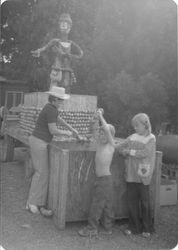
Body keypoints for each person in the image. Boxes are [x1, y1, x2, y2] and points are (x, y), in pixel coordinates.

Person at [26, 86, 79, 216]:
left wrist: (72, 129)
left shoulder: (51, 108)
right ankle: (32, 203)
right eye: (60, 100)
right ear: (54, 99)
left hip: (38, 141)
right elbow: (53, 131)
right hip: (39, 141)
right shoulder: (51, 109)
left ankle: (35, 202)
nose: (62, 102)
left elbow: (58, 119)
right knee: (41, 173)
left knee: (42, 173)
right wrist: (69, 133)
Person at [117, 113, 156, 237]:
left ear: (145, 125)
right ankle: (134, 227)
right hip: (131, 174)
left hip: (143, 175)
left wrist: (129, 151)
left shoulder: (151, 138)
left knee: (145, 203)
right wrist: (114, 145)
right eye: (134, 126)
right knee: (132, 202)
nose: (135, 128)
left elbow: (145, 153)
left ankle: (147, 228)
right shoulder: (132, 137)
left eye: (137, 125)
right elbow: (121, 145)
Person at [78, 109, 116, 237]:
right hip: (101, 179)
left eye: (104, 134)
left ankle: (92, 228)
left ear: (110, 136)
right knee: (105, 204)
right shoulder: (100, 144)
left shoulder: (111, 145)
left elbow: (105, 128)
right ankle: (107, 228)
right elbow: (93, 130)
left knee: (97, 204)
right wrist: (94, 118)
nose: (102, 135)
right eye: (101, 134)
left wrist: (100, 116)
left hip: (105, 179)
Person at [31, 13, 83, 92]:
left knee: (66, 88)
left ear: (70, 28)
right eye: (62, 25)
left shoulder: (71, 43)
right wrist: (38, 51)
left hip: (67, 70)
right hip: (57, 69)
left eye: (66, 25)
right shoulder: (55, 41)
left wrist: (69, 56)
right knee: (54, 88)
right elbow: (45, 48)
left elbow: (81, 54)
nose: (64, 27)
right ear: (59, 27)